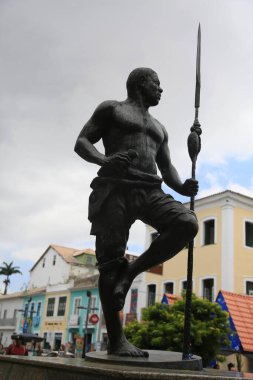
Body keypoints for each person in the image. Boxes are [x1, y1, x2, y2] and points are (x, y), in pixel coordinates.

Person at [75, 67, 199, 357]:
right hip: (115, 188)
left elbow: (166, 168)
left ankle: (130, 273)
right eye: (156, 83)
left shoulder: (159, 128)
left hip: (149, 190)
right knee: (109, 263)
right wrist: (104, 160)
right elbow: (81, 142)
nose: (161, 89)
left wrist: (183, 187)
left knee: (187, 222)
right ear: (141, 83)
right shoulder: (112, 109)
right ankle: (117, 341)